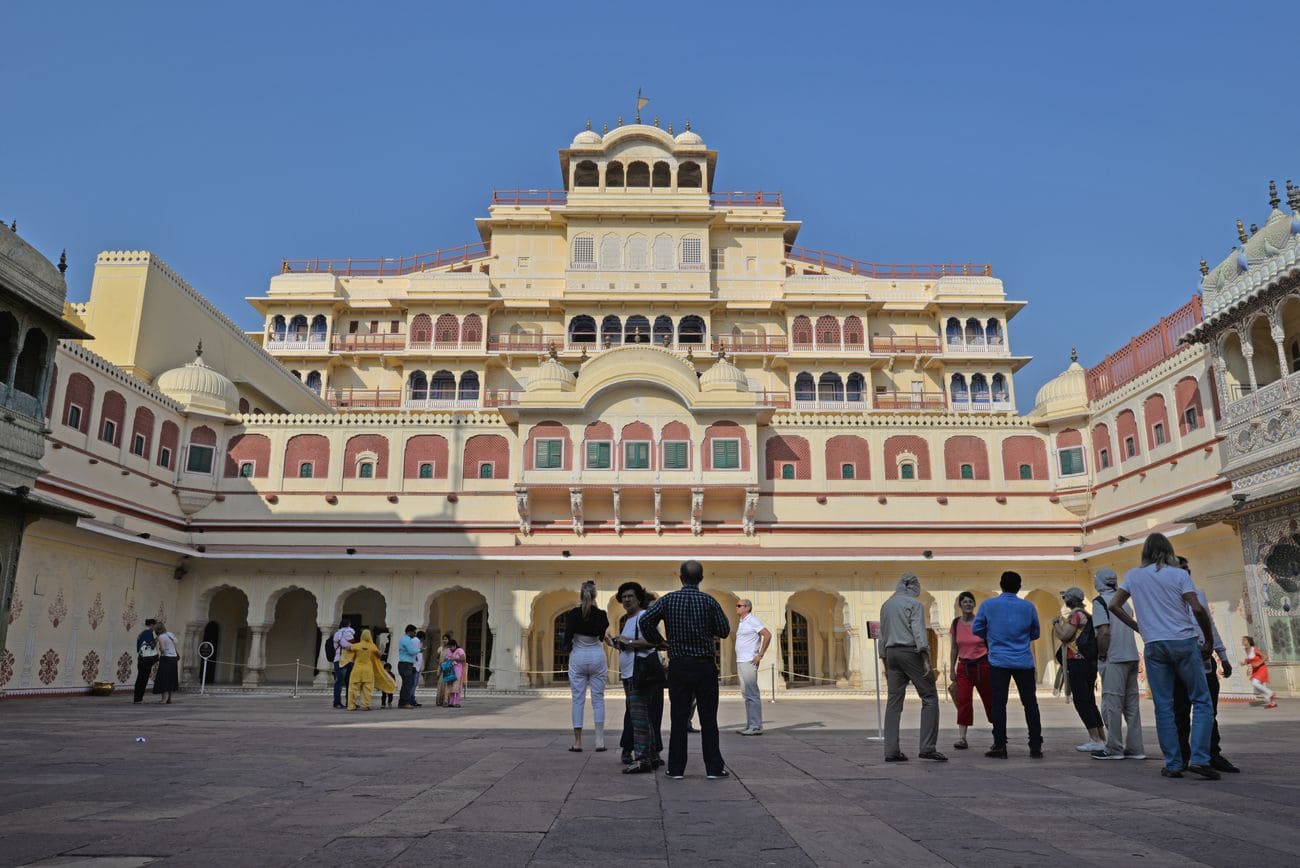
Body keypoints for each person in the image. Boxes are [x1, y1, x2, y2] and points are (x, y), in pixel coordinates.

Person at [1107, 533, 1220, 780]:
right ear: (1169, 551)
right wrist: (1209, 639)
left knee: (1164, 706)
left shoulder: (1134, 575)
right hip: (1183, 641)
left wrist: (1137, 626)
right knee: (1201, 701)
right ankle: (1200, 758)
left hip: (1154, 645)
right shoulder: (1178, 574)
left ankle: (1173, 763)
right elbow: (1197, 608)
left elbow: (1114, 605)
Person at [640, 560, 731, 780]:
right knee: (709, 719)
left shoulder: (669, 600)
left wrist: (661, 642)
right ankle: (713, 768)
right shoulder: (709, 601)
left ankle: (676, 768)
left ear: (681, 577)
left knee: (678, 718)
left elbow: (645, 621)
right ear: (700, 578)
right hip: (705, 665)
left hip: (679, 665)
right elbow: (724, 630)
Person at [1172, 558, 1237, 772]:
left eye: (1186, 569)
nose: (1185, 573)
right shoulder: (1167, 597)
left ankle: (1211, 754)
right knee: (1181, 711)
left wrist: (1222, 655)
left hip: (1203, 658)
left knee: (1208, 709)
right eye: (1180, 570)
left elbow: (1209, 625)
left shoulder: (1198, 594)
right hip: (1180, 659)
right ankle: (1182, 757)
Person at [973, 571, 1043, 759]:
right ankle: (1035, 744)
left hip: (999, 660)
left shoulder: (989, 605)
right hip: (1023, 660)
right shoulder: (1028, 607)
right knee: (1030, 703)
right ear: (1019, 587)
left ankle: (1000, 745)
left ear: (1000, 585)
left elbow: (977, 628)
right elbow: (1035, 633)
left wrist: (993, 636)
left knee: (999, 703)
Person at [878, 573, 945, 762]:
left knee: (893, 702)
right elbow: (918, 631)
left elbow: (882, 636)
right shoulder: (914, 605)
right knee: (929, 697)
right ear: (914, 587)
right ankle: (927, 747)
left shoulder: (887, 605)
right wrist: (926, 659)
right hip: (910, 652)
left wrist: (884, 660)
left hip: (891, 654)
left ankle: (891, 750)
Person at [1090, 568, 1146, 761]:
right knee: (1131, 705)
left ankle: (1113, 747)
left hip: (1114, 657)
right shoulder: (1124, 602)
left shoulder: (1100, 602)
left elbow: (1104, 632)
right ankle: (1136, 748)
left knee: (1112, 704)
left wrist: (1102, 654)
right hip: (1131, 655)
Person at [609, 581, 663, 773]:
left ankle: (642, 759)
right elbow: (630, 645)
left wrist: (629, 641)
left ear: (639, 598)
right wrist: (616, 643)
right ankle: (653, 755)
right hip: (631, 673)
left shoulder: (643, 617)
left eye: (630, 596)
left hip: (638, 674)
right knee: (644, 717)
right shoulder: (630, 619)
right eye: (623, 597)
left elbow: (653, 642)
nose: (627, 600)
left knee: (639, 718)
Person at [1052, 586, 1106, 752]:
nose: (1065, 601)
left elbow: (1064, 635)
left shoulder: (1076, 615)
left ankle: (1095, 738)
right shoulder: (1087, 615)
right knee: (1089, 701)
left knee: (1082, 701)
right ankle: (1101, 737)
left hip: (1077, 663)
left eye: (1066, 597)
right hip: (1087, 663)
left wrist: (1055, 624)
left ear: (1072, 599)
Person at [564, 580, 609, 751]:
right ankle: (599, 742)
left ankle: (577, 742)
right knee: (598, 700)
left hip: (578, 657)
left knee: (578, 700)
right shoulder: (602, 615)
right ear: (595, 595)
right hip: (597, 657)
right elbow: (601, 636)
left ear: (581, 595)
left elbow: (567, 638)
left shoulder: (573, 614)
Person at [949, 591, 992, 751]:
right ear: (960, 605)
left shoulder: (981, 623)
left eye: (970, 602)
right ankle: (962, 737)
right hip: (964, 667)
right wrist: (952, 669)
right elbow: (954, 647)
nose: (967, 604)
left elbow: (990, 643)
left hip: (983, 665)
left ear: (974, 605)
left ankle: (998, 733)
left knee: (990, 699)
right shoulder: (956, 624)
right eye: (964, 602)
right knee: (964, 701)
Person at [734, 598, 771, 736]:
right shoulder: (743, 621)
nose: (736, 607)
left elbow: (767, 635)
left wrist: (760, 655)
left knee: (752, 694)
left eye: (739, 606)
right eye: (736, 605)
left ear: (747, 608)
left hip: (749, 661)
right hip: (742, 661)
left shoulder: (752, 620)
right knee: (747, 694)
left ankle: (756, 726)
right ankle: (750, 724)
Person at [342, 628, 394, 711]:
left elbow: (347, 648)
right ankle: (365, 705)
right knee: (367, 688)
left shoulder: (357, 645)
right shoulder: (372, 646)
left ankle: (351, 706)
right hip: (368, 670)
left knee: (353, 688)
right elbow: (379, 655)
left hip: (357, 670)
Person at [1242, 636, 1276, 708]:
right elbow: (1248, 660)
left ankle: (1270, 693)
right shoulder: (1245, 650)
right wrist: (1244, 664)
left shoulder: (1254, 649)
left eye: (1245, 640)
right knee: (1259, 687)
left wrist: (1258, 663)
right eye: (1243, 640)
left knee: (1254, 683)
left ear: (1249, 641)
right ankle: (1272, 703)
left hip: (1261, 668)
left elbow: (1265, 657)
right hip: (1255, 670)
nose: (1243, 641)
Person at [151, 622, 180, 704]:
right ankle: (169, 698)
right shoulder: (169, 634)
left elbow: (163, 649)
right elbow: (175, 644)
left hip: (166, 658)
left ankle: (163, 699)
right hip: (174, 658)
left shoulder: (161, 637)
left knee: (164, 678)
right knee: (171, 678)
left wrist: (160, 649)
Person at [133, 618, 158, 704]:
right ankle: (138, 698)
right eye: (155, 625)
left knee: (141, 677)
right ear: (151, 625)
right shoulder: (148, 633)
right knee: (143, 679)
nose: (155, 627)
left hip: (141, 657)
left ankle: (138, 698)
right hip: (145, 659)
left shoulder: (143, 632)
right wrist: (157, 639)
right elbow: (152, 645)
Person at [331, 620, 355, 709]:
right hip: (344, 660)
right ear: (349, 625)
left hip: (341, 659)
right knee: (342, 682)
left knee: (341, 682)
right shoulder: (342, 634)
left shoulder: (338, 634)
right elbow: (347, 645)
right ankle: (341, 702)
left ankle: (341, 702)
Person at [397, 624, 422, 708]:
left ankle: (402, 702)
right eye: (414, 632)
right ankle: (406, 702)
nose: (415, 635)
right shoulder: (407, 640)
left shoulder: (404, 639)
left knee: (405, 684)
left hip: (404, 664)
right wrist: (419, 650)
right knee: (408, 684)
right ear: (409, 632)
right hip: (406, 664)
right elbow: (411, 651)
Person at [443, 638, 466, 708]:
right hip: (450, 672)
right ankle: (451, 702)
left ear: (455, 645)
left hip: (458, 671)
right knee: (451, 687)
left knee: (457, 687)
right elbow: (446, 658)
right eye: (449, 647)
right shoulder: (449, 651)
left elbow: (463, 659)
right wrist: (447, 659)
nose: (450, 648)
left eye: (451, 647)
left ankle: (457, 702)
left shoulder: (460, 650)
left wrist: (455, 658)